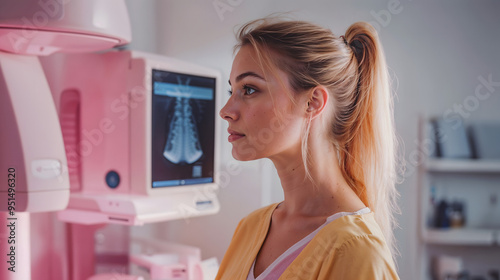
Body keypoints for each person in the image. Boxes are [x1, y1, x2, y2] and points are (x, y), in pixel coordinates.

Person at [216, 17, 401, 280]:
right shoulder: (250, 227)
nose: (226, 111)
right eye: (231, 90)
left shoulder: (357, 251)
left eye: (249, 89)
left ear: (312, 102)